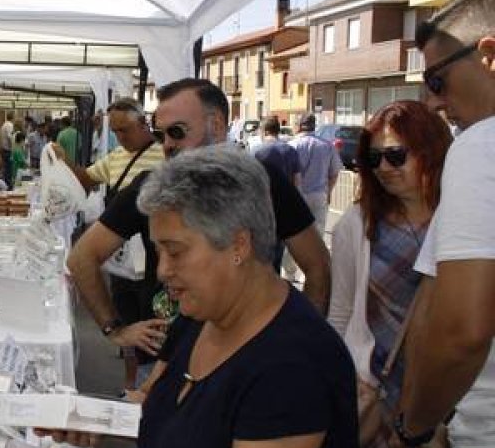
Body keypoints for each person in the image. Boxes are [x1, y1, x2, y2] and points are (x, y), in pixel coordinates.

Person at [26, 148, 379, 448]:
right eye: (159, 251)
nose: (163, 270)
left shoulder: (294, 360)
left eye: (175, 251)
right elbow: (158, 401)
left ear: (238, 246)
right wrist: (92, 417)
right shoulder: (200, 316)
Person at [67, 79, 330, 375]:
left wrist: (301, 344)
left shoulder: (261, 181)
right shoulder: (154, 187)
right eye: (160, 134)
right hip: (165, 361)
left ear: (216, 125)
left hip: (249, 361)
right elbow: (82, 257)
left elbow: (317, 265)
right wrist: (115, 329)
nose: (166, 144)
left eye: (177, 132)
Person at [398, 0, 495, 448]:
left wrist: (416, 425)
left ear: (488, 54)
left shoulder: (482, 145)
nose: (433, 102)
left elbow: (462, 331)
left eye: (437, 81)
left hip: (483, 447)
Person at [327, 100, 451, 448]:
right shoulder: (358, 224)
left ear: (430, 151)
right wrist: (340, 377)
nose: (384, 167)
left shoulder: (461, 222)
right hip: (376, 392)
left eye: (396, 155)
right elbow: (341, 311)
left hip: (445, 394)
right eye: (373, 157)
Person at [67, 98, 163, 390]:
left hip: (150, 262)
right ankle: (131, 383)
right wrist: (64, 161)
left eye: (126, 130)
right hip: (120, 259)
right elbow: (87, 179)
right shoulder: (116, 156)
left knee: (153, 328)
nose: (121, 137)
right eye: (116, 131)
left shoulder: (165, 156)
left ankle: (144, 384)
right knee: (128, 322)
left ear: (143, 123)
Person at [289, 114, 342, 233]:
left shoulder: (292, 146)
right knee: (318, 234)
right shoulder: (327, 146)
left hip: (297, 195)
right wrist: (328, 192)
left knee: (296, 233)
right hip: (319, 195)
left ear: (299, 126)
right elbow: (334, 173)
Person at [252, 117, 302, 189]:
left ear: (266, 132)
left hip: (264, 196)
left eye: (260, 131)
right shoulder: (291, 151)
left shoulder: (255, 151)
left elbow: (251, 179)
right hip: (285, 196)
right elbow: (297, 180)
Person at [0, 111, 15, 183]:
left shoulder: (3, 125)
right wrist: (13, 148)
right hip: (8, 150)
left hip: (3, 149)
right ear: (13, 118)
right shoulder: (10, 125)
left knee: (5, 168)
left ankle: (6, 183)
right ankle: (8, 185)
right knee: (9, 169)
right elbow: (10, 137)